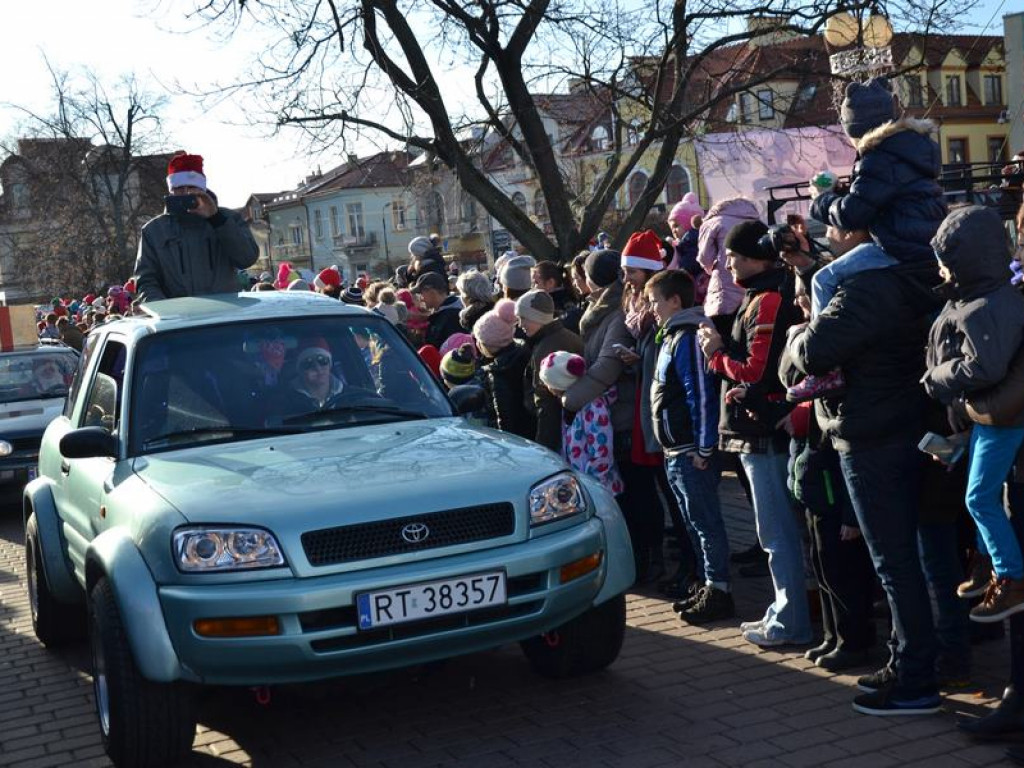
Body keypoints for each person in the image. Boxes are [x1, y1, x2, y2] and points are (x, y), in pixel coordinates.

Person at [787, 218, 943, 715]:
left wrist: (797, 333)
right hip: (905, 425)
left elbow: (810, 354)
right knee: (914, 560)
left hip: (874, 437)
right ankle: (915, 662)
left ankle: (916, 678)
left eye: (834, 227)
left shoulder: (864, 288)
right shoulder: (916, 278)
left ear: (861, 236)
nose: (828, 238)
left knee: (895, 564)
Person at [697, 219, 809, 648]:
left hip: (763, 429)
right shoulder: (761, 295)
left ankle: (790, 620)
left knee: (777, 534)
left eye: (734, 257)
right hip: (760, 426)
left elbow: (754, 373)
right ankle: (785, 612)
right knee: (776, 533)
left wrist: (715, 352)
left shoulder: (766, 299)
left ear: (757, 258)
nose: (727, 264)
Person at [923, 205, 1024, 622]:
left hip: (1001, 416)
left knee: (979, 497)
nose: (942, 272)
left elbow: (985, 365)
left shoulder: (988, 304)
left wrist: (938, 378)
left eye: (947, 263)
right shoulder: (976, 297)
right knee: (981, 496)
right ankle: (989, 564)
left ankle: (1011, 576)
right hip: (986, 413)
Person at [645, 269, 732, 624]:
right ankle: (704, 583)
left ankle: (720, 588)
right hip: (674, 449)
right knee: (692, 522)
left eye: (654, 302)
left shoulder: (686, 337)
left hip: (689, 450)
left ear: (675, 301)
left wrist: (704, 447)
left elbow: (700, 395)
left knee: (706, 521)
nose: (651, 309)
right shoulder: (669, 337)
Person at [810, 76, 946, 265]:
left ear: (857, 132)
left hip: (901, 249)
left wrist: (821, 199)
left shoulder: (879, 159)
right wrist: (843, 194)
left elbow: (852, 215)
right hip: (926, 242)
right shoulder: (905, 147)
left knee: (824, 279)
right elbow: (876, 197)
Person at [134, 153, 259, 301]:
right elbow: (146, 280)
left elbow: (247, 259)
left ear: (203, 189)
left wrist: (216, 219)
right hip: (179, 319)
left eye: (192, 187)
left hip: (225, 314)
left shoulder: (228, 218)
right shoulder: (154, 230)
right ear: (171, 191)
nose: (187, 193)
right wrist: (164, 312)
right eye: (180, 188)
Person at [540, 351, 623, 494]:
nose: (548, 388)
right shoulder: (569, 404)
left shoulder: (593, 407)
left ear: (562, 383)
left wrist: (593, 483)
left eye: (549, 384)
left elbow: (602, 449)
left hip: (601, 488)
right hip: (581, 484)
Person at [515, 289, 584, 453]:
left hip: (560, 431)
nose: (520, 324)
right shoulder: (563, 336)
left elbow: (547, 404)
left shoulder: (546, 349)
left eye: (523, 318)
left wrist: (545, 448)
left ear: (538, 317)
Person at [697, 196, 760, 337]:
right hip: (753, 286)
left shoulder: (713, 223)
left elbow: (704, 258)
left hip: (724, 290)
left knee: (722, 337)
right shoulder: (755, 220)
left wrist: (713, 269)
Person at [472, 299, 534, 438]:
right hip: (531, 427)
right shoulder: (523, 352)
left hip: (516, 438)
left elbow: (504, 417)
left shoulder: (499, 372)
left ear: (489, 344)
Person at [411, 272, 463, 350]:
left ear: (432, 292)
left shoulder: (451, 317)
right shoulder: (449, 312)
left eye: (421, 294)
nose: (421, 298)